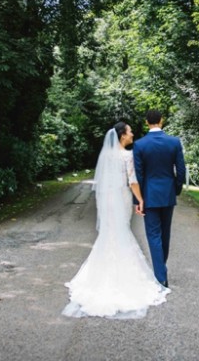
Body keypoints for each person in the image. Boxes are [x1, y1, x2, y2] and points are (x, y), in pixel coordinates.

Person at [62, 122, 170, 319]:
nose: (132, 134)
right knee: (122, 231)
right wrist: (141, 199)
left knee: (109, 232)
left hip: (109, 199)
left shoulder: (106, 155)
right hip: (121, 197)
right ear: (122, 136)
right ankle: (124, 278)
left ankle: (98, 277)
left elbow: (103, 181)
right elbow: (133, 181)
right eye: (129, 132)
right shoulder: (127, 155)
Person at [132, 110, 186, 288]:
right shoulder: (174, 142)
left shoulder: (139, 145)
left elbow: (138, 175)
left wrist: (137, 200)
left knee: (154, 235)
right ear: (161, 121)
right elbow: (181, 171)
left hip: (149, 195)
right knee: (165, 233)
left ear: (147, 122)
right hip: (168, 193)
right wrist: (176, 190)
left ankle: (161, 277)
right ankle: (161, 271)